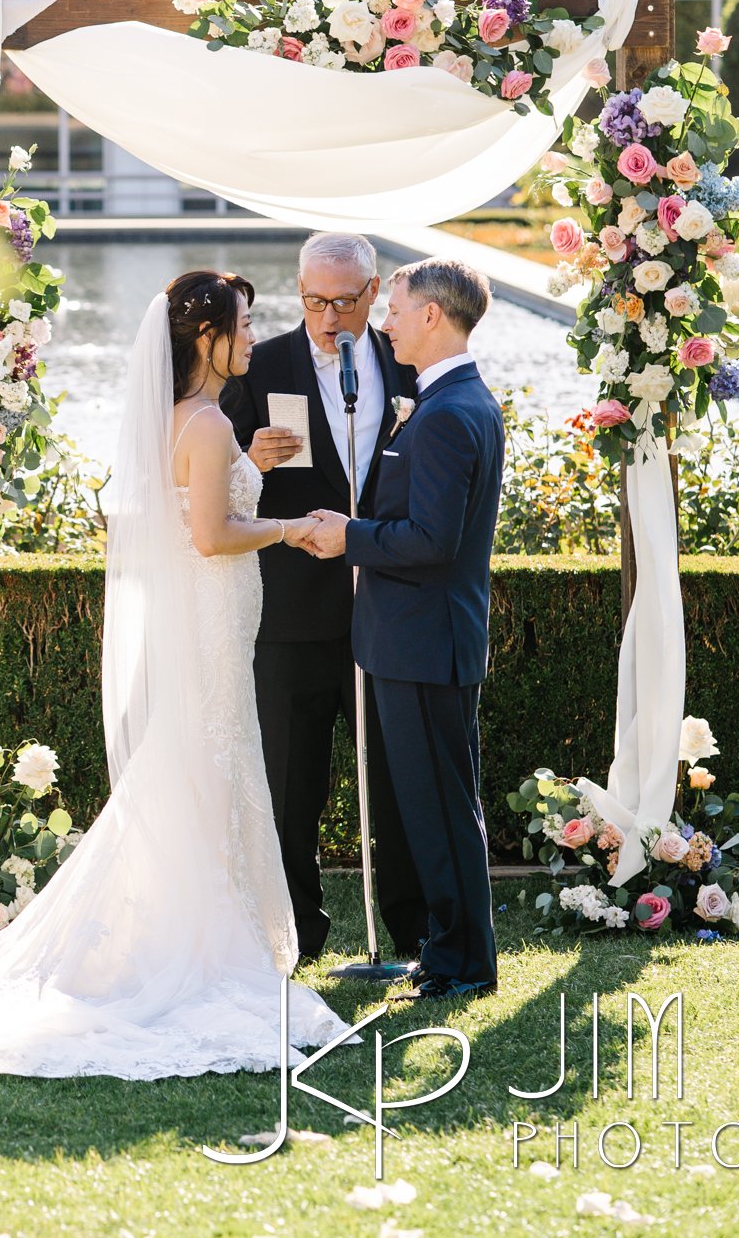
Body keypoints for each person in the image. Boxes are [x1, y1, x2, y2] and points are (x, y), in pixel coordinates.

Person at [0, 272, 345, 1080]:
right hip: (215, 617)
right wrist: (293, 525)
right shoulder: (210, 422)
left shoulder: (184, 420)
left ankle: (180, 922)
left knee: (194, 764)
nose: (256, 337)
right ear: (206, 338)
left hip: (203, 620)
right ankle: (205, 941)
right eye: (245, 325)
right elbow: (214, 536)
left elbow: (193, 501)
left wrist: (247, 463)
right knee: (212, 762)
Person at [220, 234, 426, 967]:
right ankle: (295, 935)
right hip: (289, 611)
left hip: (388, 606)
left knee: (397, 782)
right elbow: (212, 479)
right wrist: (251, 457)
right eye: (315, 299)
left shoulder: (410, 360)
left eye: (344, 300)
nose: (329, 315)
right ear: (298, 290)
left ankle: (411, 931)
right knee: (289, 786)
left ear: (374, 294)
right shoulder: (261, 363)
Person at [310, 260, 505, 1004]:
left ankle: (463, 961)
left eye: (394, 309)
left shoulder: (451, 412)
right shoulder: (450, 401)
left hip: (425, 642)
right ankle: (450, 950)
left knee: (443, 807)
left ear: (431, 317)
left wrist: (348, 535)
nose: (383, 322)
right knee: (435, 805)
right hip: (418, 640)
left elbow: (432, 540)